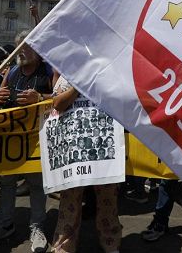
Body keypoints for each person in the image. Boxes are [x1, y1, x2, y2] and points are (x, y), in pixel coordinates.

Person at [0, 30, 52, 252]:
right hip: (10, 138)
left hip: (36, 139)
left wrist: (39, 98)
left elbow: (59, 98)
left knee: (37, 185)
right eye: (19, 47)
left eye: (27, 47)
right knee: (7, 183)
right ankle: (4, 225)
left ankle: (37, 227)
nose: (22, 51)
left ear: (38, 52)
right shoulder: (11, 72)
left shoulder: (48, 71)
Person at [50, 75, 121, 253]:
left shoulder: (108, 73)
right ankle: (64, 246)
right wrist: (79, 86)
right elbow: (58, 104)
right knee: (70, 201)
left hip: (104, 149)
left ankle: (111, 243)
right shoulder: (67, 75)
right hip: (73, 151)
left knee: (108, 200)